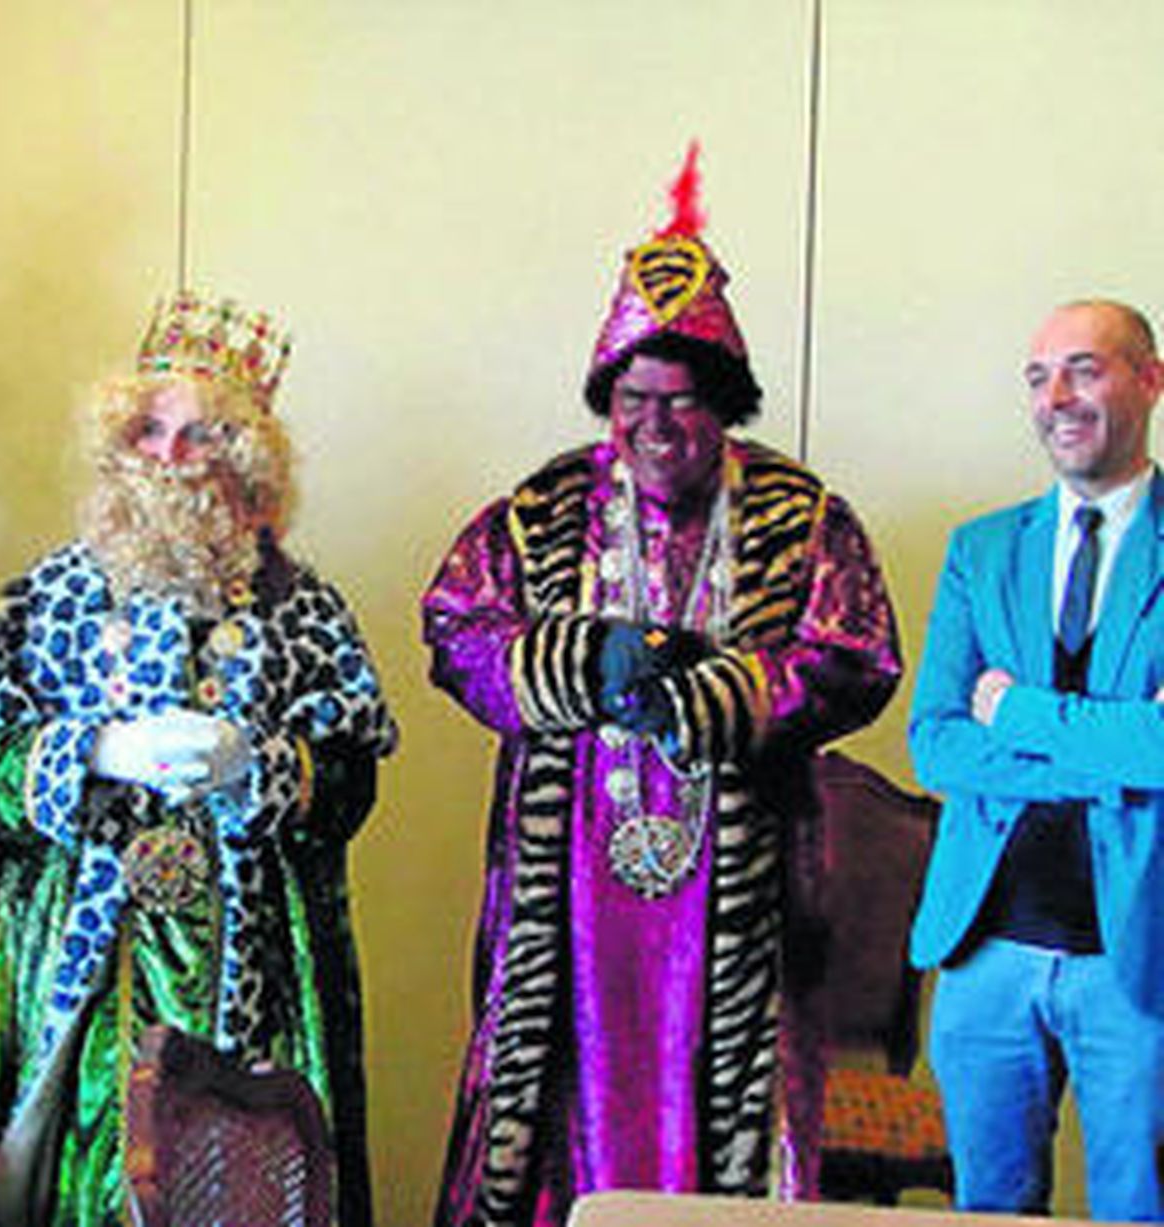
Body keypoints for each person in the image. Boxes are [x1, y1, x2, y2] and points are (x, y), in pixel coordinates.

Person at [423, 149, 902, 1227]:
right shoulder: (537, 511)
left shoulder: (797, 514)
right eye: (631, 399)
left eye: (680, 403)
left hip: (736, 892)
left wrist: (729, 692)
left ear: (723, 404)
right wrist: (571, 665)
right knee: (547, 1101)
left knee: (735, 1102)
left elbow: (856, 655)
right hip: (572, 888)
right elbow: (453, 629)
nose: (653, 426)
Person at [0, 290, 397, 1227]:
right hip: (87, 962)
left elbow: (350, 782)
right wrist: (97, 748)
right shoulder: (44, 598)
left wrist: (259, 765)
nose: (169, 458)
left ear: (243, 458)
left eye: (199, 436)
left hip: (256, 970)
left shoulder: (304, 609)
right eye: (150, 430)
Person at [909, 299, 1164, 1220]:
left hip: (1139, 960)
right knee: (991, 1212)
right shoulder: (979, 550)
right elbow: (935, 738)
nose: (1058, 396)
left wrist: (1017, 710)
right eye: (1038, 375)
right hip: (985, 955)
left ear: (1150, 379)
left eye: (1086, 368)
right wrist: (1112, 748)